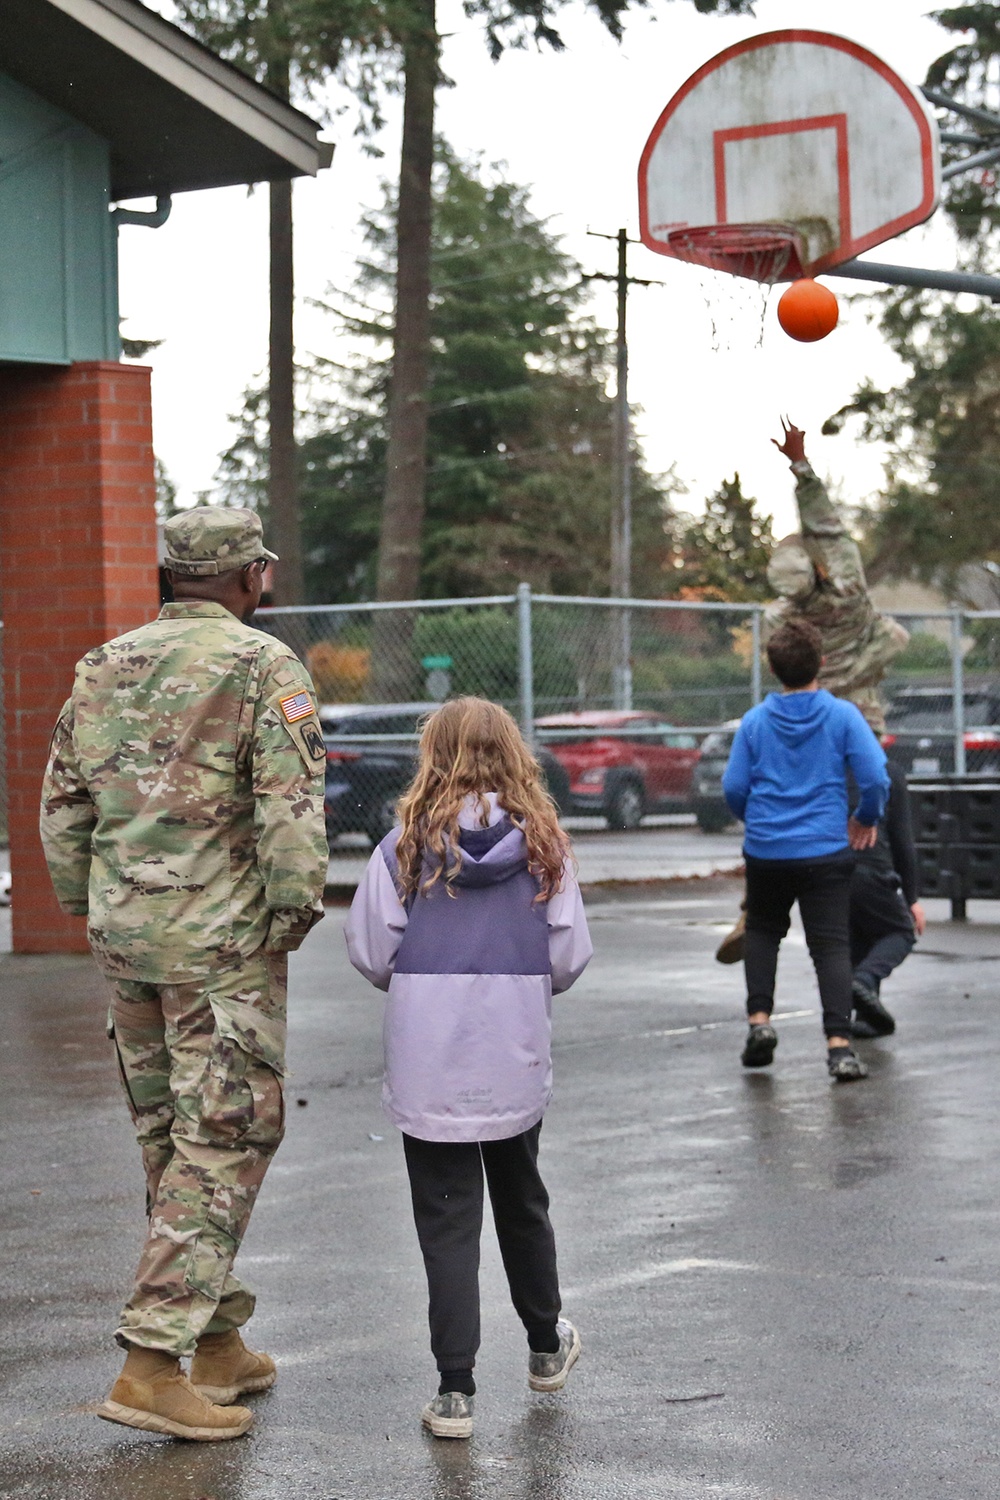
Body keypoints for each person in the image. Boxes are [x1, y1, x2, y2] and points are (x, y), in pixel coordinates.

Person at [39, 507, 329, 1443]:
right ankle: (150, 1364)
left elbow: (63, 806)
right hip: (220, 946)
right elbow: (290, 803)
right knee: (228, 1137)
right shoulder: (263, 665)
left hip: (130, 938)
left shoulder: (101, 665)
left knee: (172, 1135)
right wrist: (289, 916)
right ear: (250, 578)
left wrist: (94, 907)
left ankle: (215, 1340)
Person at [345, 697, 592, 1440]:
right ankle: (547, 1348)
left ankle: (456, 1393)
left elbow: (370, 950)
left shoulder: (402, 850)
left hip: (431, 1059)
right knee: (523, 1199)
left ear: (433, 756)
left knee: (447, 1221)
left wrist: (421, 979)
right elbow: (568, 956)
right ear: (514, 756)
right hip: (511, 1049)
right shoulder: (546, 846)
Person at [716, 419, 908, 966]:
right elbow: (826, 525)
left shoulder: (780, 618)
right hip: (857, 731)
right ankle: (874, 944)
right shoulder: (846, 593)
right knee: (866, 843)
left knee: (785, 823)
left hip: (802, 731)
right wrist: (800, 464)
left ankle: (756, 909)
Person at [721, 619, 889, 1081]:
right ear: (824, 662)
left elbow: (734, 786)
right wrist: (866, 818)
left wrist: (756, 818)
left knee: (762, 932)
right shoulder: (842, 716)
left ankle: (760, 1024)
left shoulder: (755, 721)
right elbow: (875, 777)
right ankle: (839, 1047)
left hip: (767, 850)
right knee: (831, 945)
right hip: (825, 850)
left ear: (774, 669)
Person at [848, 758, 925, 1038]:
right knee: (900, 932)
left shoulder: (826, 766)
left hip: (828, 868)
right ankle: (864, 981)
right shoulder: (886, 771)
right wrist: (911, 898)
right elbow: (902, 839)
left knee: (858, 935)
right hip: (872, 868)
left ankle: (866, 1016)